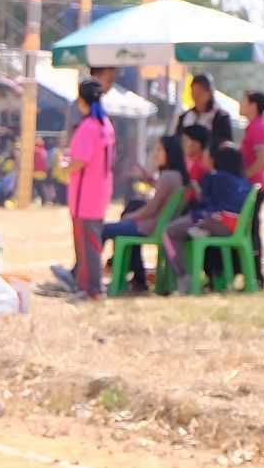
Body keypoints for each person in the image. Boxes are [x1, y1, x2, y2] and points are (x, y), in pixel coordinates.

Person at [96, 134, 186, 295]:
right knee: (123, 226)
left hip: (149, 227)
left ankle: (89, 276)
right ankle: (137, 279)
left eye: (160, 150)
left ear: (170, 153)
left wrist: (131, 216)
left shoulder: (167, 176)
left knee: (102, 229)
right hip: (155, 226)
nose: (156, 154)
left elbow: (151, 209)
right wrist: (148, 179)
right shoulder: (177, 176)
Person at [162, 143, 253, 291]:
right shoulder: (245, 183)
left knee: (169, 232)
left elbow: (205, 202)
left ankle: (183, 276)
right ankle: (199, 230)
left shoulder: (215, 177)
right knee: (192, 225)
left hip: (216, 222)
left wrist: (195, 188)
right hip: (236, 227)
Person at [60, 77, 116, 301]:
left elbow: (80, 161)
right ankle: (90, 287)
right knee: (92, 242)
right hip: (100, 192)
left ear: (81, 101)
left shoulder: (88, 127)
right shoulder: (106, 125)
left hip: (85, 195)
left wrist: (64, 167)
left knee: (86, 244)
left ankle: (91, 289)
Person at [239, 91, 264, 286]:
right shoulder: (253, 127)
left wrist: (243, 176)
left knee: (251, 231)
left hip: (254, 187)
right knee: (250, 230)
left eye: (244, 101)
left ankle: (256, 276)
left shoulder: (257, 128)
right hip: (253, 186)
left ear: (253, 105)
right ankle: (253, 275)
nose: (240, 105)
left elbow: (262, 161)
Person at [175, 74, 234, 147]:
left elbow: (225, 145)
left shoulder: (221, 118)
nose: (196, 98)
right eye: (193, 93)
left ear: (209, 93)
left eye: (199, 93)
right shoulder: (184, 117)